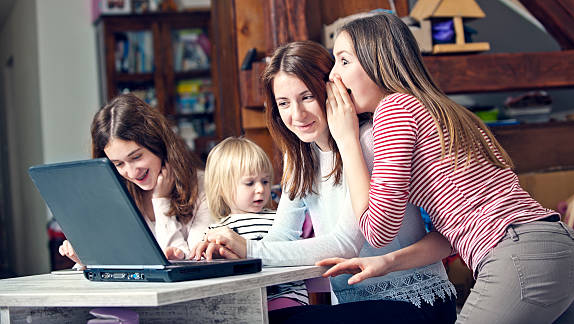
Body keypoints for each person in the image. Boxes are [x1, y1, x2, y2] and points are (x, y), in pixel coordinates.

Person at [318, 13, 574, 324]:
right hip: (570, 253)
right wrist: (388, 262)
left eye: (343, 61)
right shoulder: (449, 112)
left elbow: (377, 229)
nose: (332, 76)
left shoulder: (394, 109)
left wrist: (346, 140)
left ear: (379, 61)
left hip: (522, 256)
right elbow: (451, 236)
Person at [190, 41, 456, 323]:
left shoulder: (367, 140)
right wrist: (232, 250)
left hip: (415, 302)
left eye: (307, 97)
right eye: (284, 103)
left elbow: (344, 244)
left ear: (333, 90)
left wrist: (251, 249)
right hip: (357, 306)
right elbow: (282, 236)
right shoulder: (301, 158)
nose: (297, 115)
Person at [59, 93, 211, 266]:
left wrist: (162, 201)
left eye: (136, 157)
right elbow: (118, 261)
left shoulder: (203, 186)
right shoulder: (119, 191)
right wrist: (88, 260)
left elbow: (192, 264)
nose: (131, 173)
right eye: (118, 163)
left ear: (158, 143)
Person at [203, 136, 310, 310]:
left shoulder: (283, 219)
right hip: (242, 306)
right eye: (250, 183)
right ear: (222, 188)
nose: (261, 189)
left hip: (286, 299)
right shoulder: (217, 231)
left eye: (265, 181)